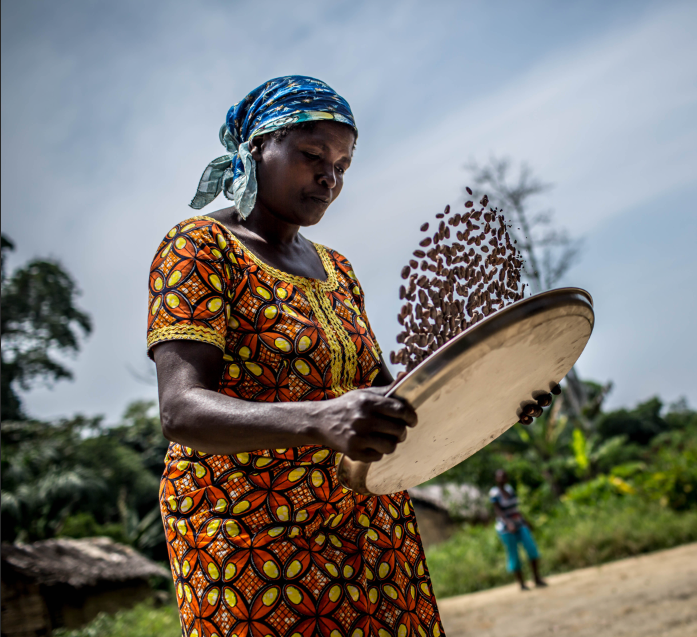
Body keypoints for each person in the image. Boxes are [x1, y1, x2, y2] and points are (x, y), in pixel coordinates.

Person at [149, 76, 550, 637]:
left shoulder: (336, 269)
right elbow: (181, 411)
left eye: (342, 165)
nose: (330, 177)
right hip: (254, 547)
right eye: (313, 155)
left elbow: (397, 402)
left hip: (369, 529)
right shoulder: (199, 247)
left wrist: (499, 391)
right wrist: (319, 418)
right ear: (257, 148)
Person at [489, 469, 546, 591]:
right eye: (500, 477)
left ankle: (536, 578)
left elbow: (515, 508)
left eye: (504, 476)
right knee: (513, 554)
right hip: (505, 528)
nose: (502, 479)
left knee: (531, 548)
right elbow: (498, 511)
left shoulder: (510, 489)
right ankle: (521, 583)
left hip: (519, 523)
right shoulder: (494, 493)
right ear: (496, 479)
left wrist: (525, 520)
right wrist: (508, 524)